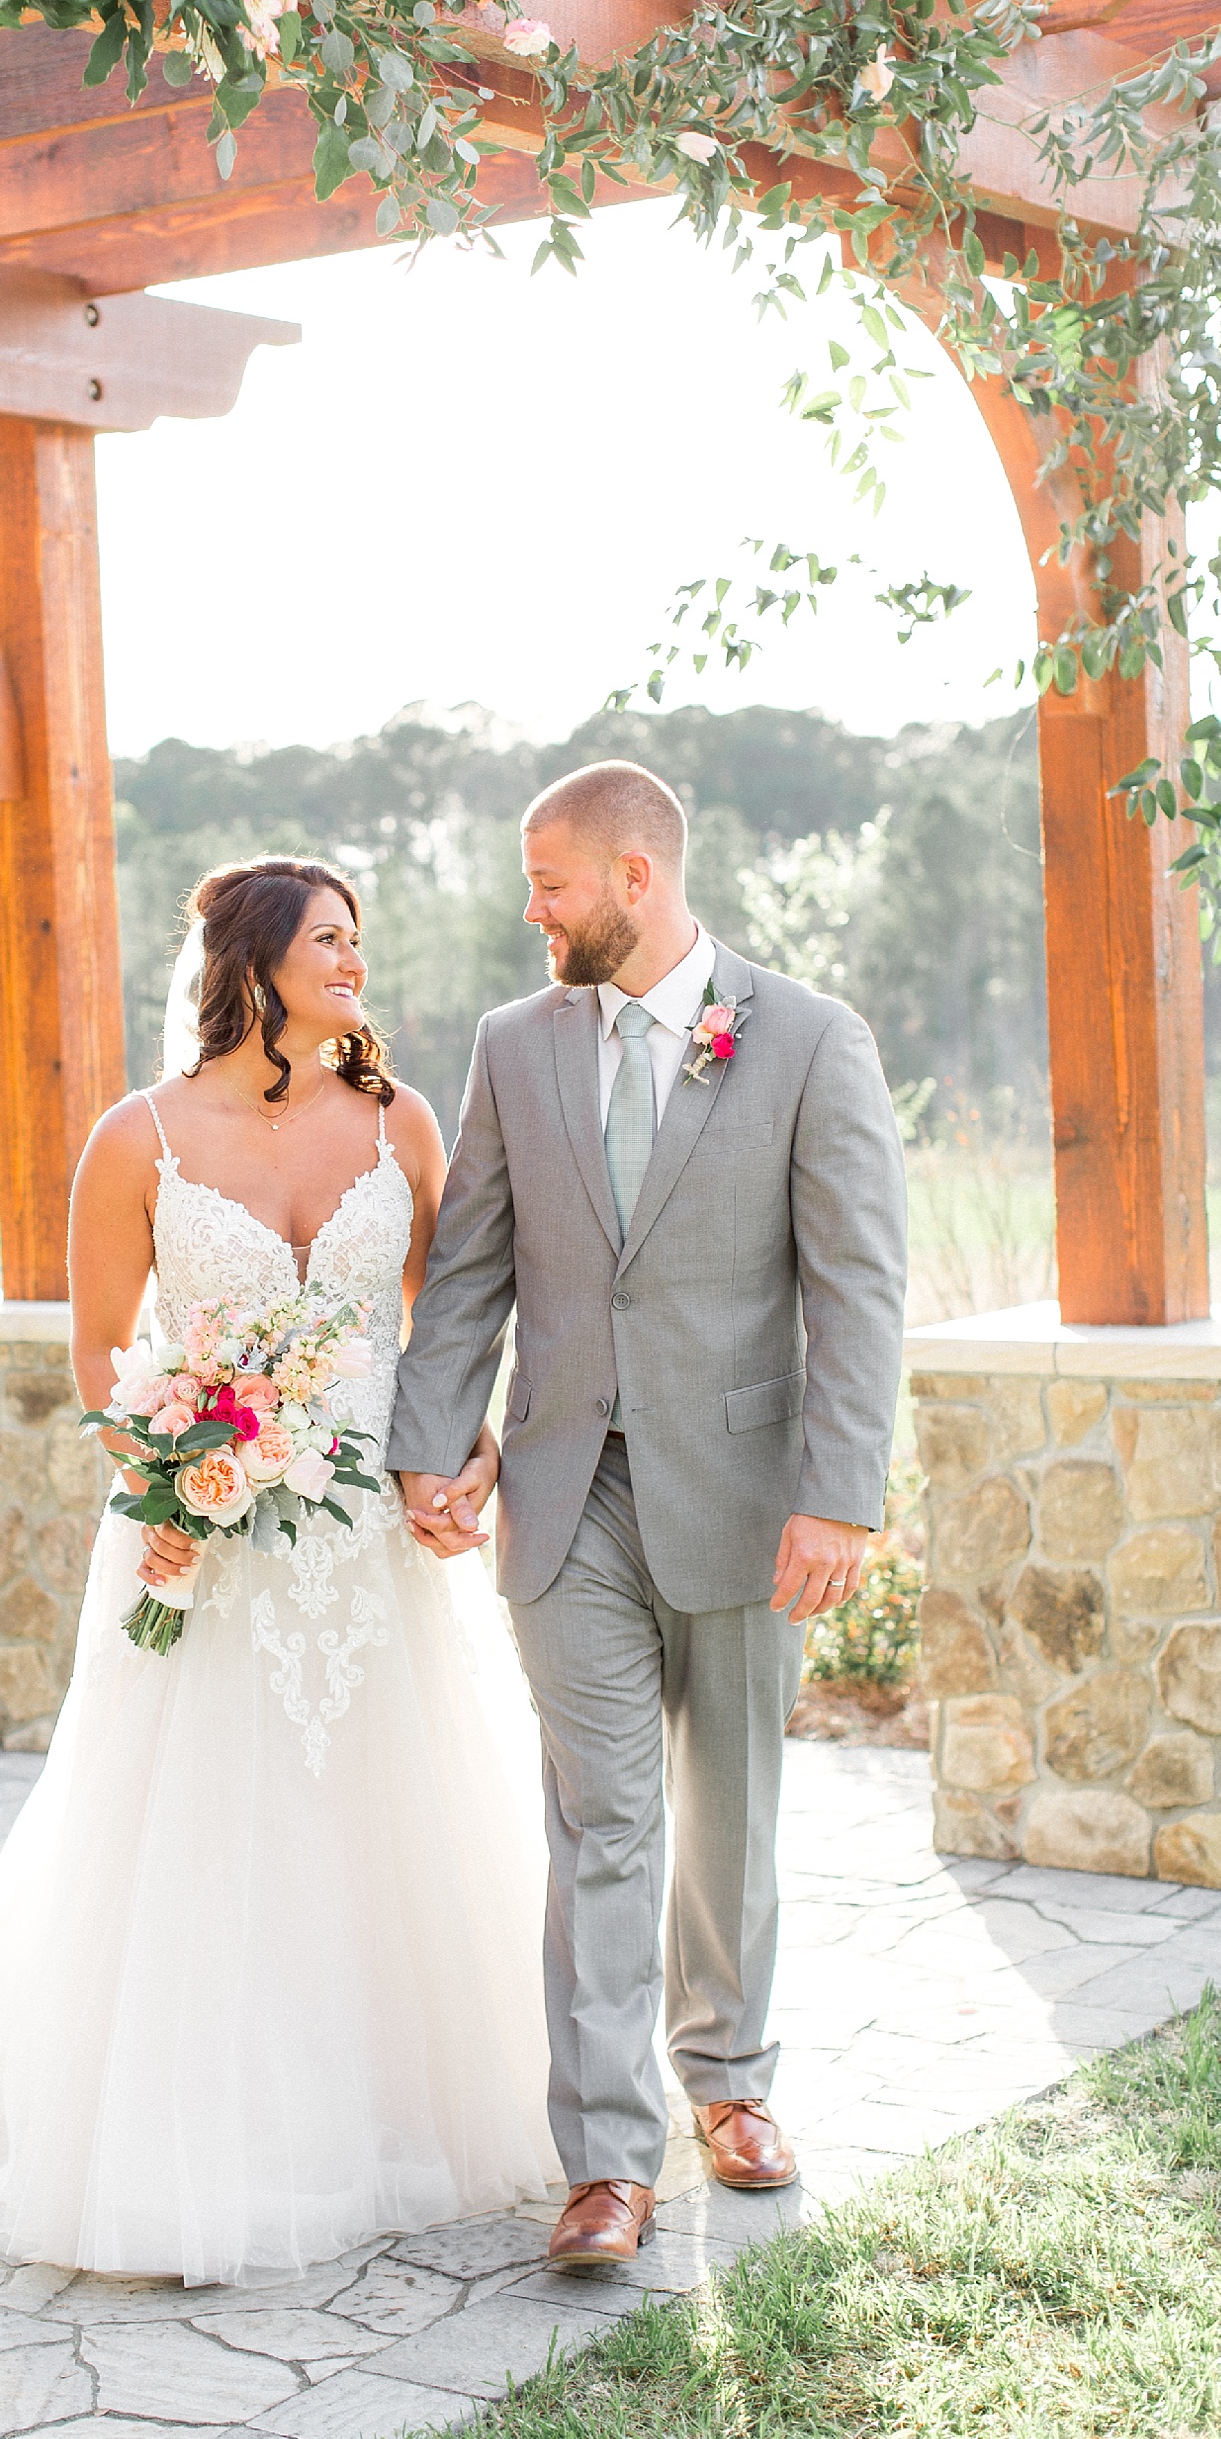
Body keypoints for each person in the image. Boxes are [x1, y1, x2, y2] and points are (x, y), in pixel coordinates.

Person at [0, 857, 557, 2287]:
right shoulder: (137, 1141)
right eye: (330, 940)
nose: (354, 966)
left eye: (357, 942)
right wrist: (173, 1468)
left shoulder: (404, 1121)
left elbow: (448, 1325)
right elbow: (96, 1357)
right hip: (205, 1534)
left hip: (370, 1536)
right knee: (214, 1824)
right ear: (252, 962)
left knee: (388, 1809)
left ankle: (395, 2100)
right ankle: (221, 2118)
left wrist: (466, 1453)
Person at [392, 761, 907, 2269]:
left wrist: (841, 1491)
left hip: (751, 1498)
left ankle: (732, 2082)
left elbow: (859, 1283)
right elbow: (472, 1266)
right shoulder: (513, 1045)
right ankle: (607, 2158)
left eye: (550, 884)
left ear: (635, 876)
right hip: (564, 1501)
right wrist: (435, 1441)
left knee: (732, 1803)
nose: (531, 911)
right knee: (604, 1817)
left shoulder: (807, 1039)